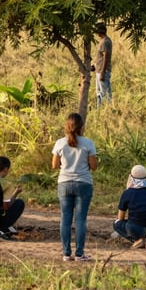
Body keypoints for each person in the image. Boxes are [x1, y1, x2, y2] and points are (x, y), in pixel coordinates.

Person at [52, 112, 98, 261]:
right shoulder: (88, 143)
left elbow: (54, 165)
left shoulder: (60, 143)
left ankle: (66, 253)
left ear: (67, 126)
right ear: (81, 127)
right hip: (83, 183)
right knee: (80, 220)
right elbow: (94, 166)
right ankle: (79, 253)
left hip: (64, 183)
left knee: (65, 218)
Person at [112, 164, 146, 249]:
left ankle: (137, 240)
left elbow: (120, 217)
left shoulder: (127, 193)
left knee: (117, 223)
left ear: (131, 177)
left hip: (135, 228)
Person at [94, 22, 113, 107]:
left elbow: (106, 58)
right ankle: (99, 109)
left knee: (105, 93)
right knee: (99, 92)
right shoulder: (103, 40)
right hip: (99, 70)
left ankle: (107, 109)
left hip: (102, 71)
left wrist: (102, 72)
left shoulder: (105, 41)